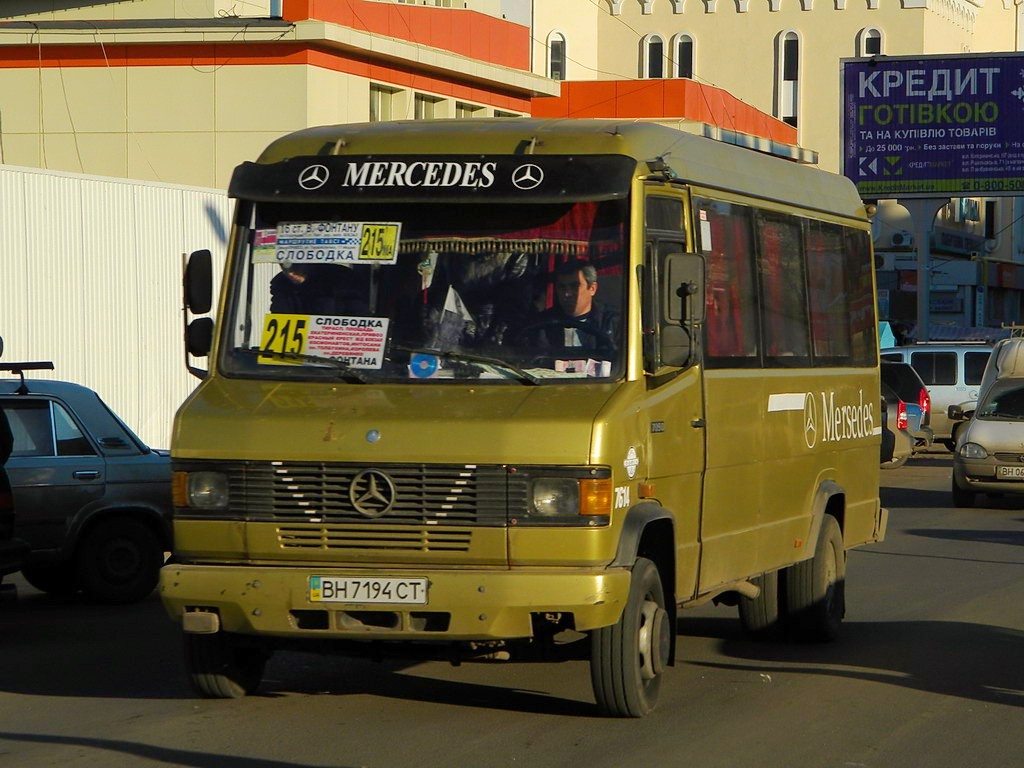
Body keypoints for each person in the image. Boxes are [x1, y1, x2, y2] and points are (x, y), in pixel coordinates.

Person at [525, 259, 619, 355]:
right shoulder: (542, 324)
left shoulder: (613, 323)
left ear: (592, 289)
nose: (567, 294)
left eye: (575, 286)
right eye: (562, 287)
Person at [269, 262, 368, 315]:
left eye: (296, 264)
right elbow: (280, 318)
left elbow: (357, 318)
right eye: (283, 265)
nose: (290, 272)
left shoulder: (342, 279)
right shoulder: (281, 284)